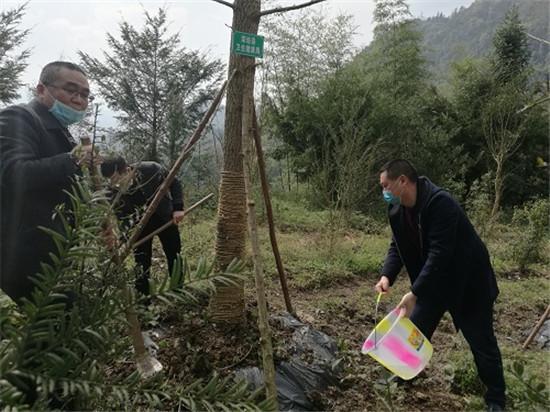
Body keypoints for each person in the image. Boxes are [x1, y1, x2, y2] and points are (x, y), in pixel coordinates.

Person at [375, 159, 506, 412]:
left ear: (402, 181)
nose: (384, 192)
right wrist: (386, 276)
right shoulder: (397, 209)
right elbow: (397, 246)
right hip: (433, 283)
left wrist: (414, 293)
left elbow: (440, 253)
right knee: (413, 332)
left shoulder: (440, 204)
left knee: (482, 344)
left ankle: (496, 400)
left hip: (468, 285)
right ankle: (404, 376)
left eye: (385, 185)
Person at [0, 61, 98, 304]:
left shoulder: (61, 131)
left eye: (85, 94)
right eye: (71, 90)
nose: (78, 99)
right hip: (24, 255)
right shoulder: (19, 117)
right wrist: (73, 159)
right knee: (57, 328)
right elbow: (15, 173)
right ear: (41, 89)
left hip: (53, 253)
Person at [100, 156, 184, 298]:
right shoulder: (111, 192)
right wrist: (125, 238)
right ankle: (143, 299)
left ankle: (178, 290)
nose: (113, 184)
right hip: (138, 228)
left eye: (115, 178)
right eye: (109, 180)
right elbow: (121, 218)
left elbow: (174, 183)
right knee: (141, 262)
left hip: (164, 218)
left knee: (174, 254)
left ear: (126, 170)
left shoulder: (150, 169)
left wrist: (178, 208)